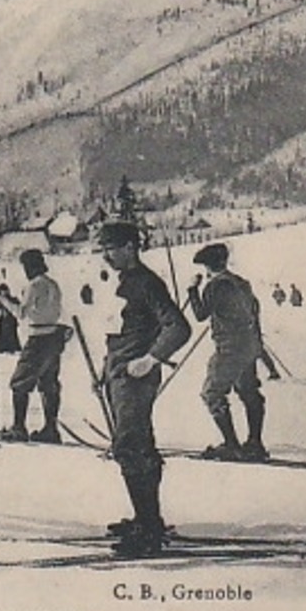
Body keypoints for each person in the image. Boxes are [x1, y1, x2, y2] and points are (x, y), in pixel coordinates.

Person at [96, 221, 192, 557]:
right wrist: (104, 368)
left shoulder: (148, 283)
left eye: (110, 248)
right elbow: (120, 330)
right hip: (119, 375)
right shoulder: (123, 282)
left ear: (129, 247)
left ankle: (149, 531)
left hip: (136, 378)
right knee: (138, 445)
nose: (105, 256)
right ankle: (145, 518)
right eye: (103, 249)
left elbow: (179, 328)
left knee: (130, 447)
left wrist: (151, 359)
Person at [186, 242, 269, 462]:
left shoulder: (215, 286)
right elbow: (254, 310)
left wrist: (192, 290)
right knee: (249, 392)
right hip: (248, 346)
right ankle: (255, 443)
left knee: (212, 393)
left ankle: (231, 445)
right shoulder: (242, 283)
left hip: (229, 348)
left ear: (207, 267)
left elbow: (200, 314)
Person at [0, 249, 68, 443]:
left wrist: (0, 299)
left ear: (30, 266)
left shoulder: (34, 285)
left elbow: (21, 313)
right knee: (48, 383)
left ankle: (19, 428)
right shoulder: (53, 284)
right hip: (54, 338)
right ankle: (51, 428)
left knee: (20, 383)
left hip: (38, 339)